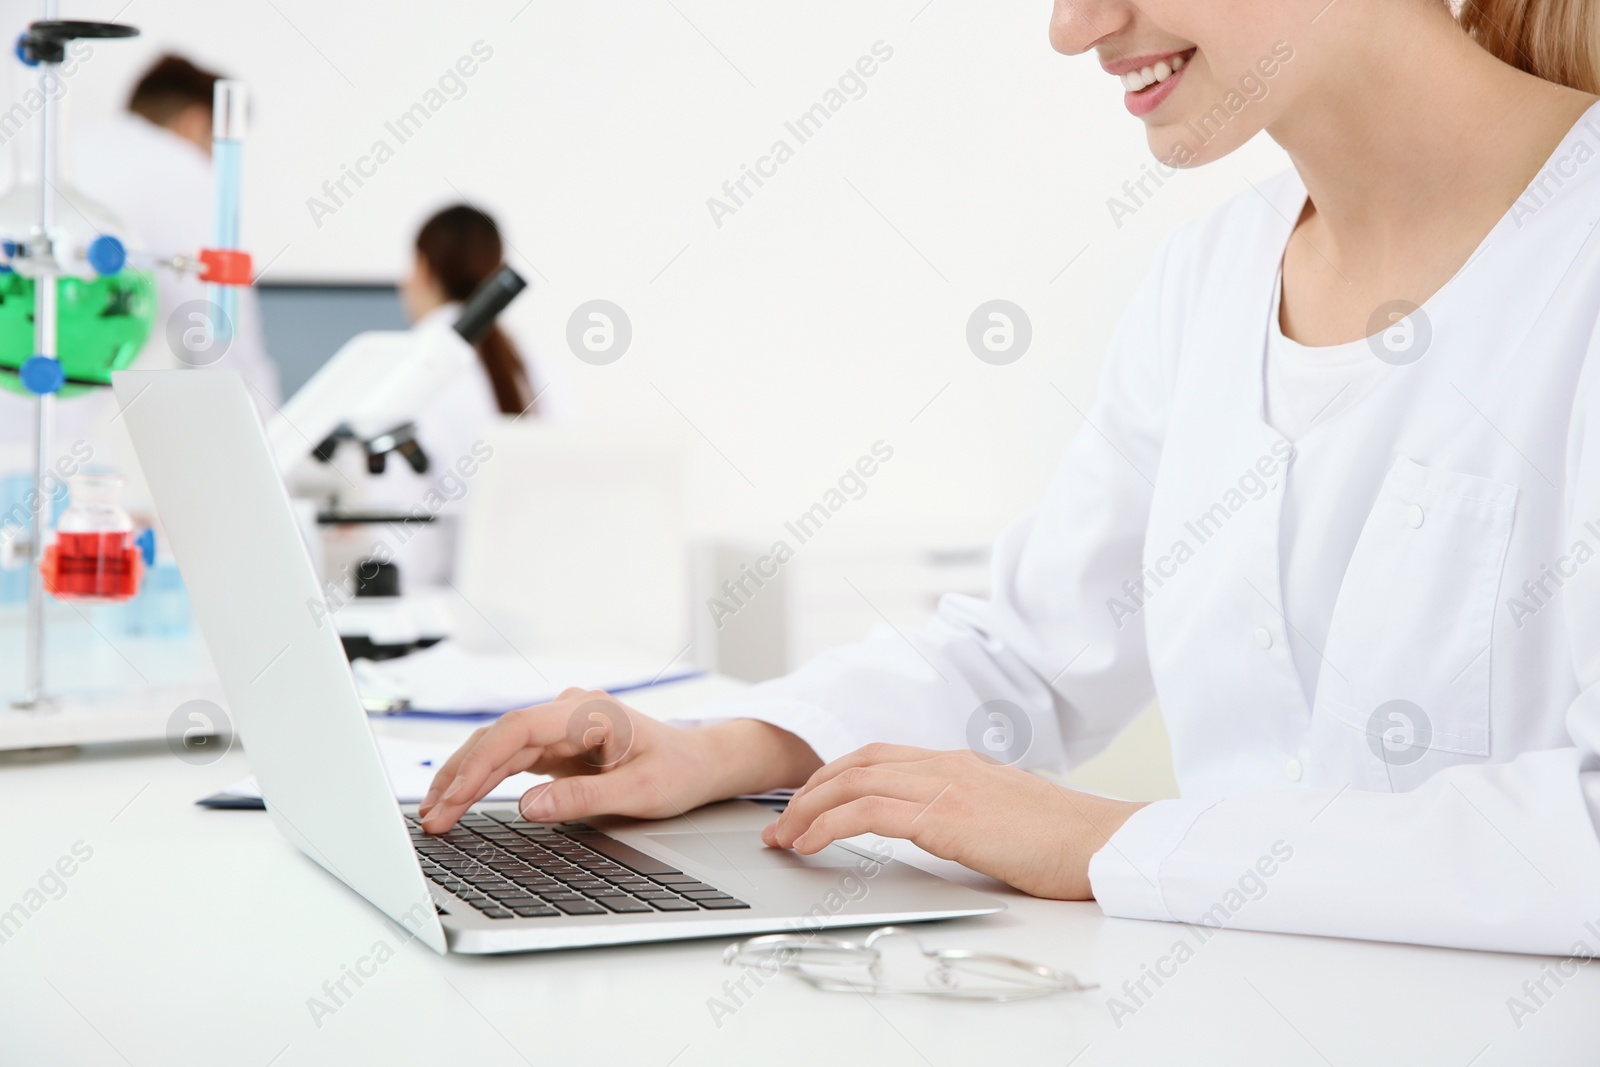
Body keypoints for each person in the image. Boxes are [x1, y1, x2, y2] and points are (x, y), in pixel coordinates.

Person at [419, 0, 1600, 957]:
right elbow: (1027, 654)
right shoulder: (1212, 277)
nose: (1073, 26)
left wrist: (1109, 842)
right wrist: (722, 746)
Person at [355, 204, 548, 586]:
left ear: (424, 269)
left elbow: (404, 552)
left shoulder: (408, 373)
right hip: (535, 613)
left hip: (448, 623)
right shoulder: (540, 369)